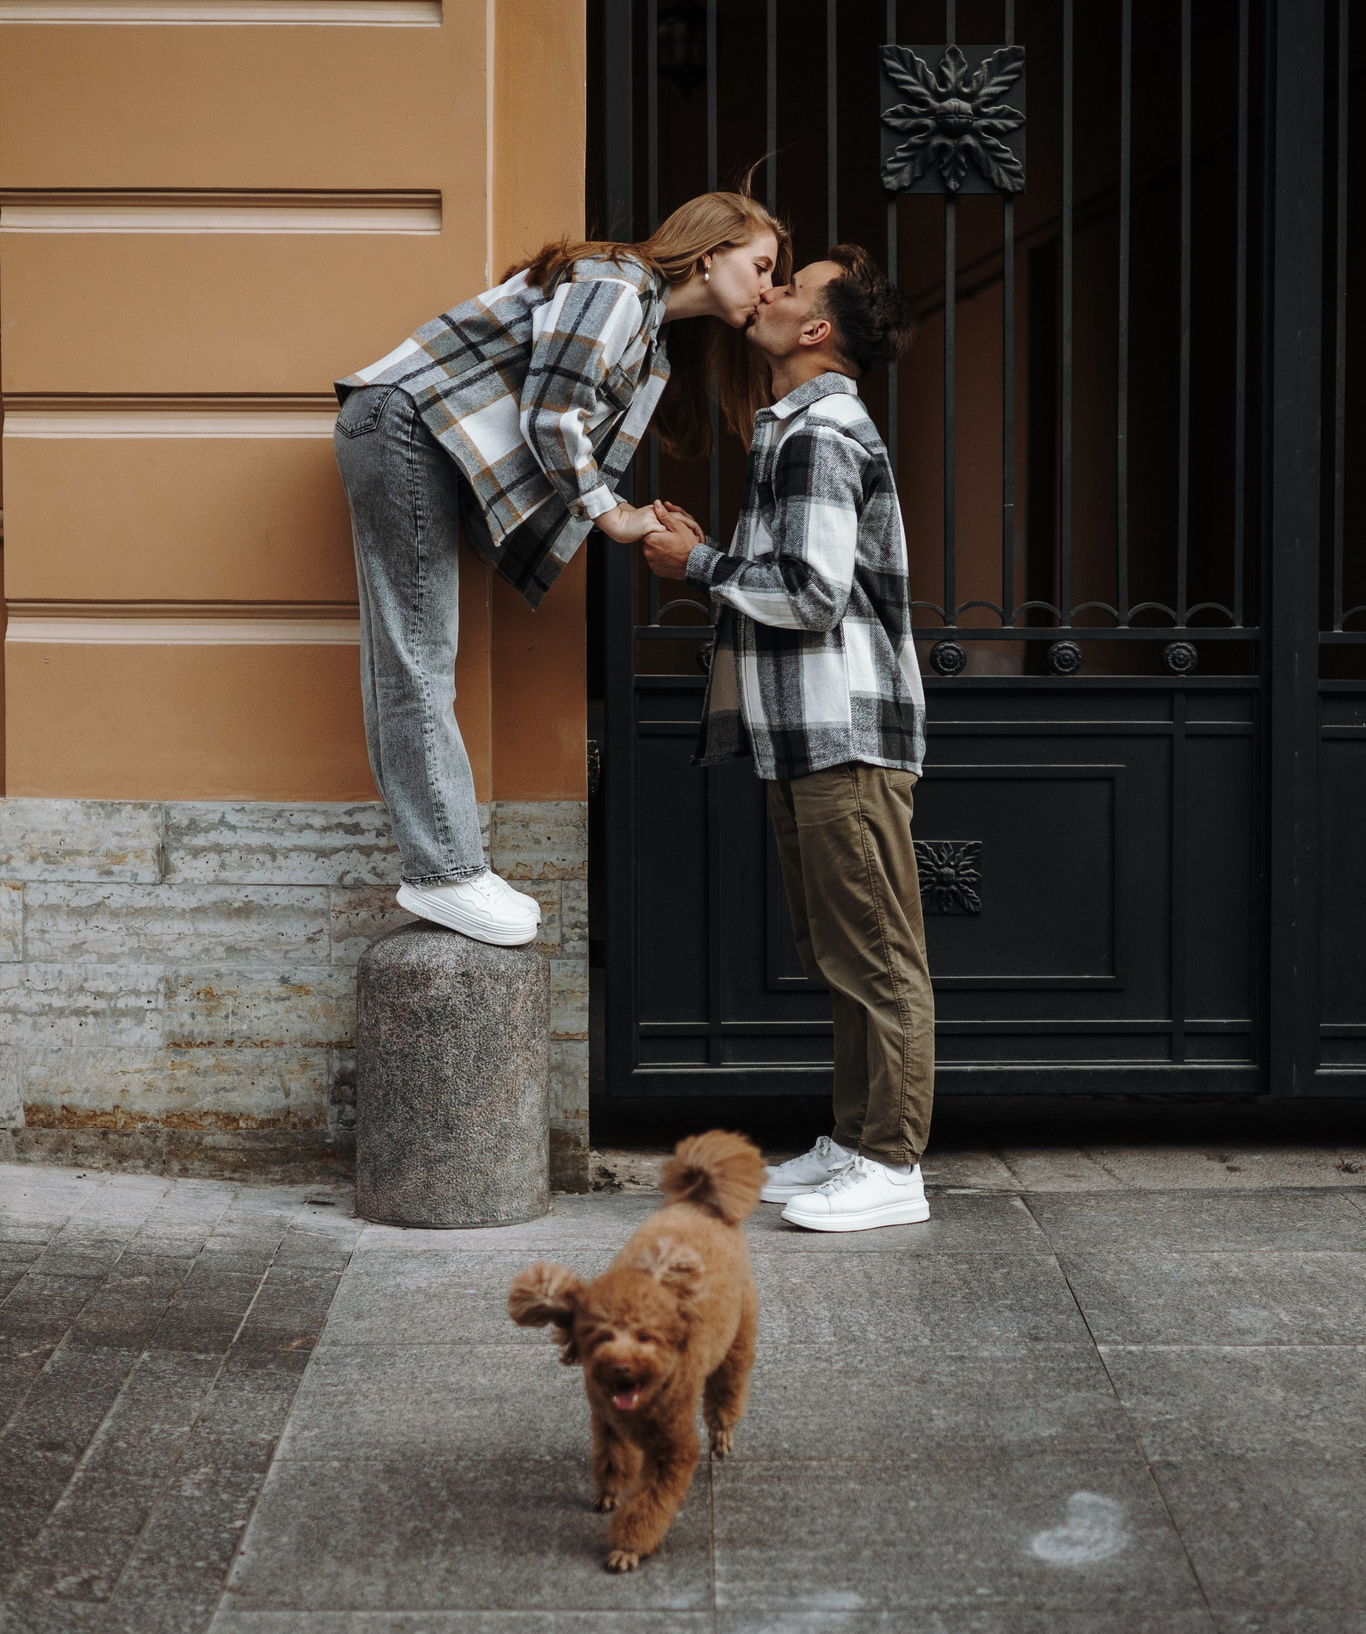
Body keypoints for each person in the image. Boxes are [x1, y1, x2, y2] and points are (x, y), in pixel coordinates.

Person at [335, 193, 785, 946]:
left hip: (405, 432)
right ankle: (444, 872)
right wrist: (612, 516)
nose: (770, 287)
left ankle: (441, 867)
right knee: (415, 654)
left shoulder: (649, 334)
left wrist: (617, 510)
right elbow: (553, 413)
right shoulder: (619, 283)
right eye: (762, 264)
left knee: (408, 654)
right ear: (710, 252)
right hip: (404, 430)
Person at [641, 246, 931, 1232]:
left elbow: (809, 595)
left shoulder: (820, 431)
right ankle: (855, 1141)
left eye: (788, 285)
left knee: (878, 956)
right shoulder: (797, 428)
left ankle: (892, 1164)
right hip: (814, 732)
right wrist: (713, 558)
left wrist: (697, 563)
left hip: (842, 730)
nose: (763, 290)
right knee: (842, 952)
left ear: (815, 330)